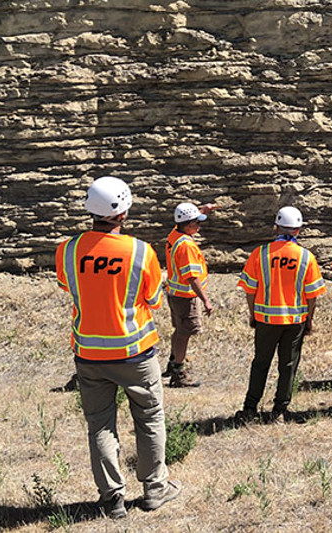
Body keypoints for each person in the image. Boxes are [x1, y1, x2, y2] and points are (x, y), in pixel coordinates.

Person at [55, 176, 181, 519]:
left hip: (89, 354)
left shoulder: (67, 250)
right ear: (123, 212)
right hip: (134, 352)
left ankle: (112, 499)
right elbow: (153, 298)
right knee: (150, 418)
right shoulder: (140, 251)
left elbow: (70, 286)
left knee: (100, 425)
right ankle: (155, 489)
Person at [234, 207, 326, 424]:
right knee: (288, 366)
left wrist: (253, 314)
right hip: (295, 322)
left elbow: (250, 289)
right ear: (299, 230)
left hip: (266, 320)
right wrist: (309, 320)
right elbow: (312, 295)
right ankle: (279, 411)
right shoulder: (306, 257)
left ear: (276, 228)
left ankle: (249, 409)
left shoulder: (260, 254)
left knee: (260, 364)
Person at [163, 202, 216, 387]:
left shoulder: (174, 234)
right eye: (197, 222)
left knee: (179, 330)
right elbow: (192, 277)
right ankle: (178, 372)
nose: (199, 226)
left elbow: (184, 219)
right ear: (188, 225)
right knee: (185, 333)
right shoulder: (187, 246)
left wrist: (202, 210)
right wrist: (206, 300)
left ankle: (173, 362)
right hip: (186, 297)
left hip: (174, 295)